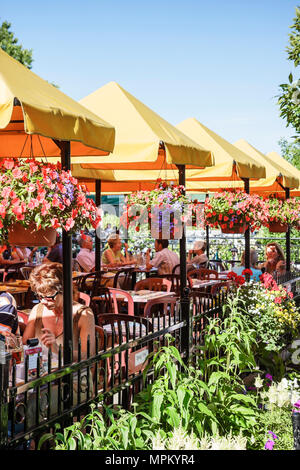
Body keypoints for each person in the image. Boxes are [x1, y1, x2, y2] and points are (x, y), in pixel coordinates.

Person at [22, 263, 95, 361]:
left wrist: (57, 349)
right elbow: (25, 344)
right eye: (40, 296)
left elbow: (88, 355)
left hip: (72, 374)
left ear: (64, 290)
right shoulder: (37, 310)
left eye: (49, 297)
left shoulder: (83, 314)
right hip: (43, 373)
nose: (43, 301)